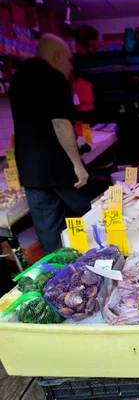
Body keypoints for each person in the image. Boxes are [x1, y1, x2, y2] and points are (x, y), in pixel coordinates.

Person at [9, 33, 91, 254]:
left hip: (31, 172)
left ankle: (58, 279)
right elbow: (61, 124)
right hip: (58, 167)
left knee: (49, 235)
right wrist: (77, 164)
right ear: (56, 56)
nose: (70, 67)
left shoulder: (18, 78)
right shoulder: (53, 78)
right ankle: (92, 269)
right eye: (69, 60)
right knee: (89, 219)